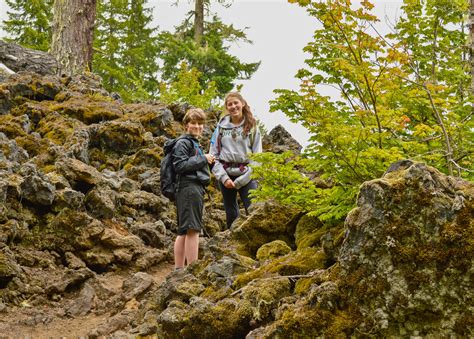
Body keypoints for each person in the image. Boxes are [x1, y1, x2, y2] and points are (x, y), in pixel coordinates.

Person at [210, 92, 262, 229]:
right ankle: (231, 243)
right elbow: (213, 155)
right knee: (231, 212)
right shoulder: (220, 128)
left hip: (247, 174)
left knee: (253, 210)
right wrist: (224, 178)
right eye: (230, 104)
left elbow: (258, 157)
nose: (233, 106)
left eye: (236, 103)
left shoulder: (252, 126)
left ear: (242, 103)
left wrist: (242, 180)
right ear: (226, 107)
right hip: (226, 174)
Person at [172, 108, 215, 269]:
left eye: (200, 123)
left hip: (189, 188)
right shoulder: (183, 143)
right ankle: (192, 269)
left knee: (184, 230)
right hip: (189, 188)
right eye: (193, 123)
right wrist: (203, 158)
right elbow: (180, 165)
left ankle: (179, 269)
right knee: (193, 229)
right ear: (186, 125)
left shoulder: (191, 143)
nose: (197, 126)